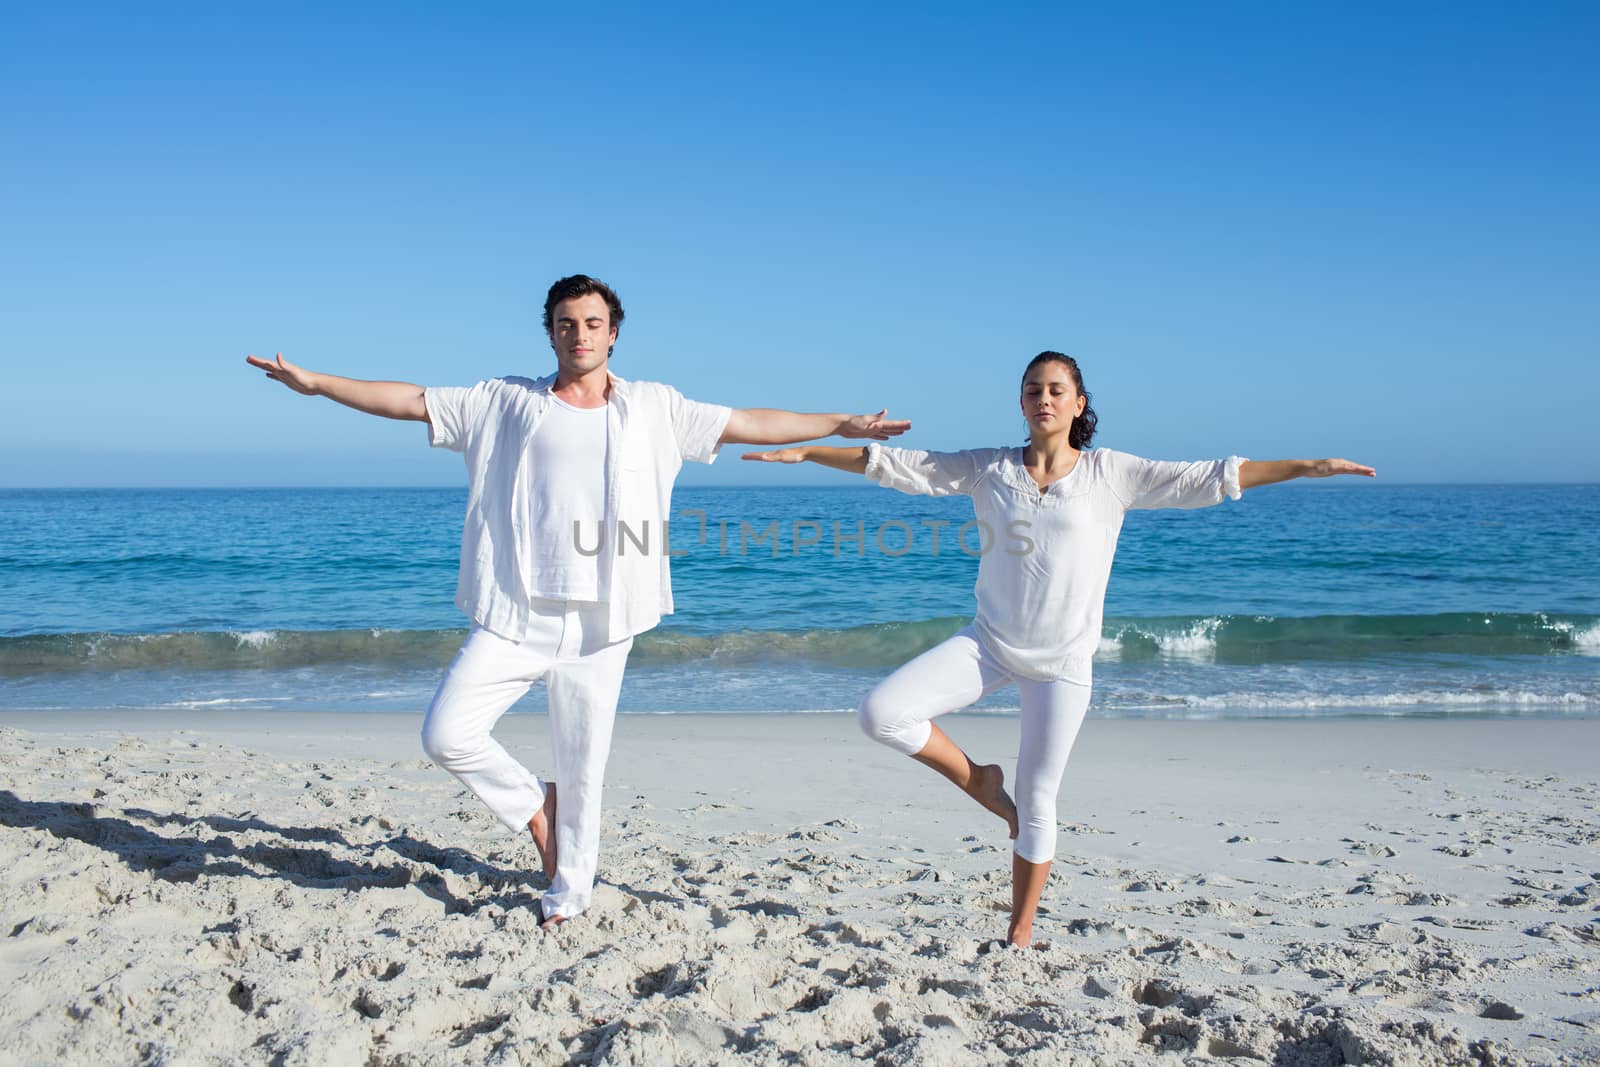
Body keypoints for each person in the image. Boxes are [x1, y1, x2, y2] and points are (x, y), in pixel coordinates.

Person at [246, 274, 909, 928]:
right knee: (447, 732)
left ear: (613, 334)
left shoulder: (655, 406)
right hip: (517, 608)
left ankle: (568, 892)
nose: (579, 334)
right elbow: (411, 400)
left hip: (604, 616)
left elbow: (747, 421)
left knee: (584, 765)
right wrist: (317, 384)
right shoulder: (504, 400)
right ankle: (537, 806)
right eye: (567, 323)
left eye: (592, 323)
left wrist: (839, 422)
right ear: (552, 334)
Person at [743, 350, 1373, 947]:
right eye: (1033, 390)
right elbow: (898, 466)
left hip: (1064, 665)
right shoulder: (989, 467)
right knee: (881, 713)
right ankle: (979, 779)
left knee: (1039, 802)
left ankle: (1019, 930)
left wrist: (1309, 467)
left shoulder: (1112, 474)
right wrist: (805, 453)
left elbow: (1214, 478)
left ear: (1078, 404)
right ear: (1021, 402)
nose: (1043, 398)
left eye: (1055, 390)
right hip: (988, 645)